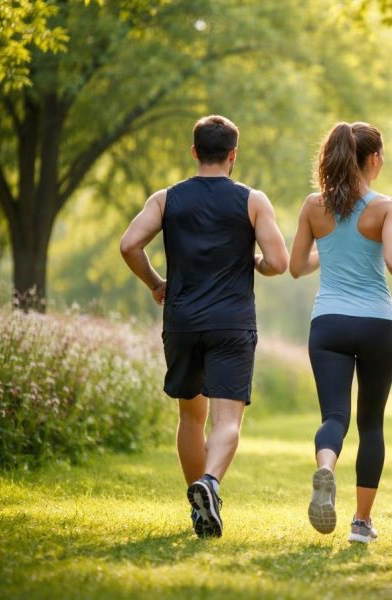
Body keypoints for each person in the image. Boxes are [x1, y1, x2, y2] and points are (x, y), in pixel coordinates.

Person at [119, 115, 289, 538]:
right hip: (231, 323)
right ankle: (209, 484)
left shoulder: (165, 199)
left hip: (182, 321)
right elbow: (279, 262)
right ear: (233, 155)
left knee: (190, 417)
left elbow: (129, 245)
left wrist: (155, 283)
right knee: (227, 419)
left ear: (195, 152)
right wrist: (255, 262)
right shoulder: (252, 201)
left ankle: (199, 510)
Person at [289, 121, 392, 544]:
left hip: (328, 323)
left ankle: (326, 468)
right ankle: (361, 522)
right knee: (371, 424)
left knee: (334, 416)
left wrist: (329, 252)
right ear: (374, 158)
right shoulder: (387, 207)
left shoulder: (314, 206)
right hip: (377, 323)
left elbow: (296, 266)